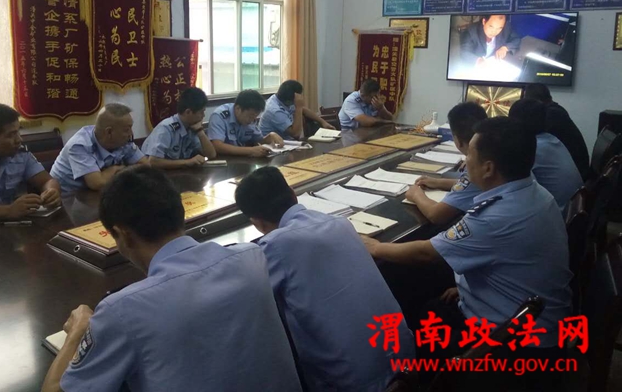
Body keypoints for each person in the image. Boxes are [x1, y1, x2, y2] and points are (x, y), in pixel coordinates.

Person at [41, 167, 301, 392]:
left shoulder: (121, 311)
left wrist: (78, 331)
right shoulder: (252, 258)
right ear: (181, 211)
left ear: (123, 235)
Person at [361, 117, 572, 351]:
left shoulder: (494, 217)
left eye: (470, 154)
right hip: (538, 320)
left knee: (419, 303)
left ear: (488, 168)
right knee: (432, 297)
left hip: (515, 343)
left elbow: (425, 253)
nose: (465, 160)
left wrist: (374, 247)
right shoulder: (534, 191)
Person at [235, 167, 414, 391]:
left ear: (256, 223)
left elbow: (248, 300)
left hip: (352, 383)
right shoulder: (341, 223)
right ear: (293, 194)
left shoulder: (274, 246)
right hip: (406, 362)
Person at [404, 102, 487, 225]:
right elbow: (471, 186)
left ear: (457, 140)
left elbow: (436, 214)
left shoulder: (476, 166)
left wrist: (416, 194)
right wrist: (438, 182)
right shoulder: (491, 156)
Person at [50, 103, 147, 193]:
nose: (131, 133)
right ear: (109, 132)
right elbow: (97, 183)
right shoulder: (80, 145)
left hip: (98, 193)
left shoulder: (123, 141)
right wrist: (126, 169)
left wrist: (117, 170)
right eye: (127, 129)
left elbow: (146, 166)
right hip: (67, 198)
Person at [509, 98, 582, 215]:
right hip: (571, 209)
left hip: (558, 213)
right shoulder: (551, 139)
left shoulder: (534, 147)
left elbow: (518, 190)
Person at [523, 83, 590, 179]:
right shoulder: (556, 110)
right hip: (576, 172)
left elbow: (529, 141)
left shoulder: (550, 115)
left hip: (576, 173)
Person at [141, 87, 216, 169]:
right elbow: (153, 162)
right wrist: (187, 162)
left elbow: (211, 155)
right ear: (188, 112)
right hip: (155, 174)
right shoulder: (166, 129)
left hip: (178, 173)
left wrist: (200, 132)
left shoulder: (192, 126)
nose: (203, 115)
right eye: (201, 112)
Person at [207, 89, 284, 157]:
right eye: (250, 116)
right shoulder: (220, 116)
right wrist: (250, 151)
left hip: (243, 160)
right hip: (224, 162)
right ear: (238, 109)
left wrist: (270, 136)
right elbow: (217, 146)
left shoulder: (251, 119)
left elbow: (258, 140)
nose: (252, 120)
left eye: (255, 116)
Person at [259, 80, 335, 140]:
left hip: (287, 142)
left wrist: (323, 122)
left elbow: (304, 110)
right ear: (290, 100)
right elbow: (296, 134)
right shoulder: (275, 111)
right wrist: (298, 107)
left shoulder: (281, 98)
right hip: (274, 146)